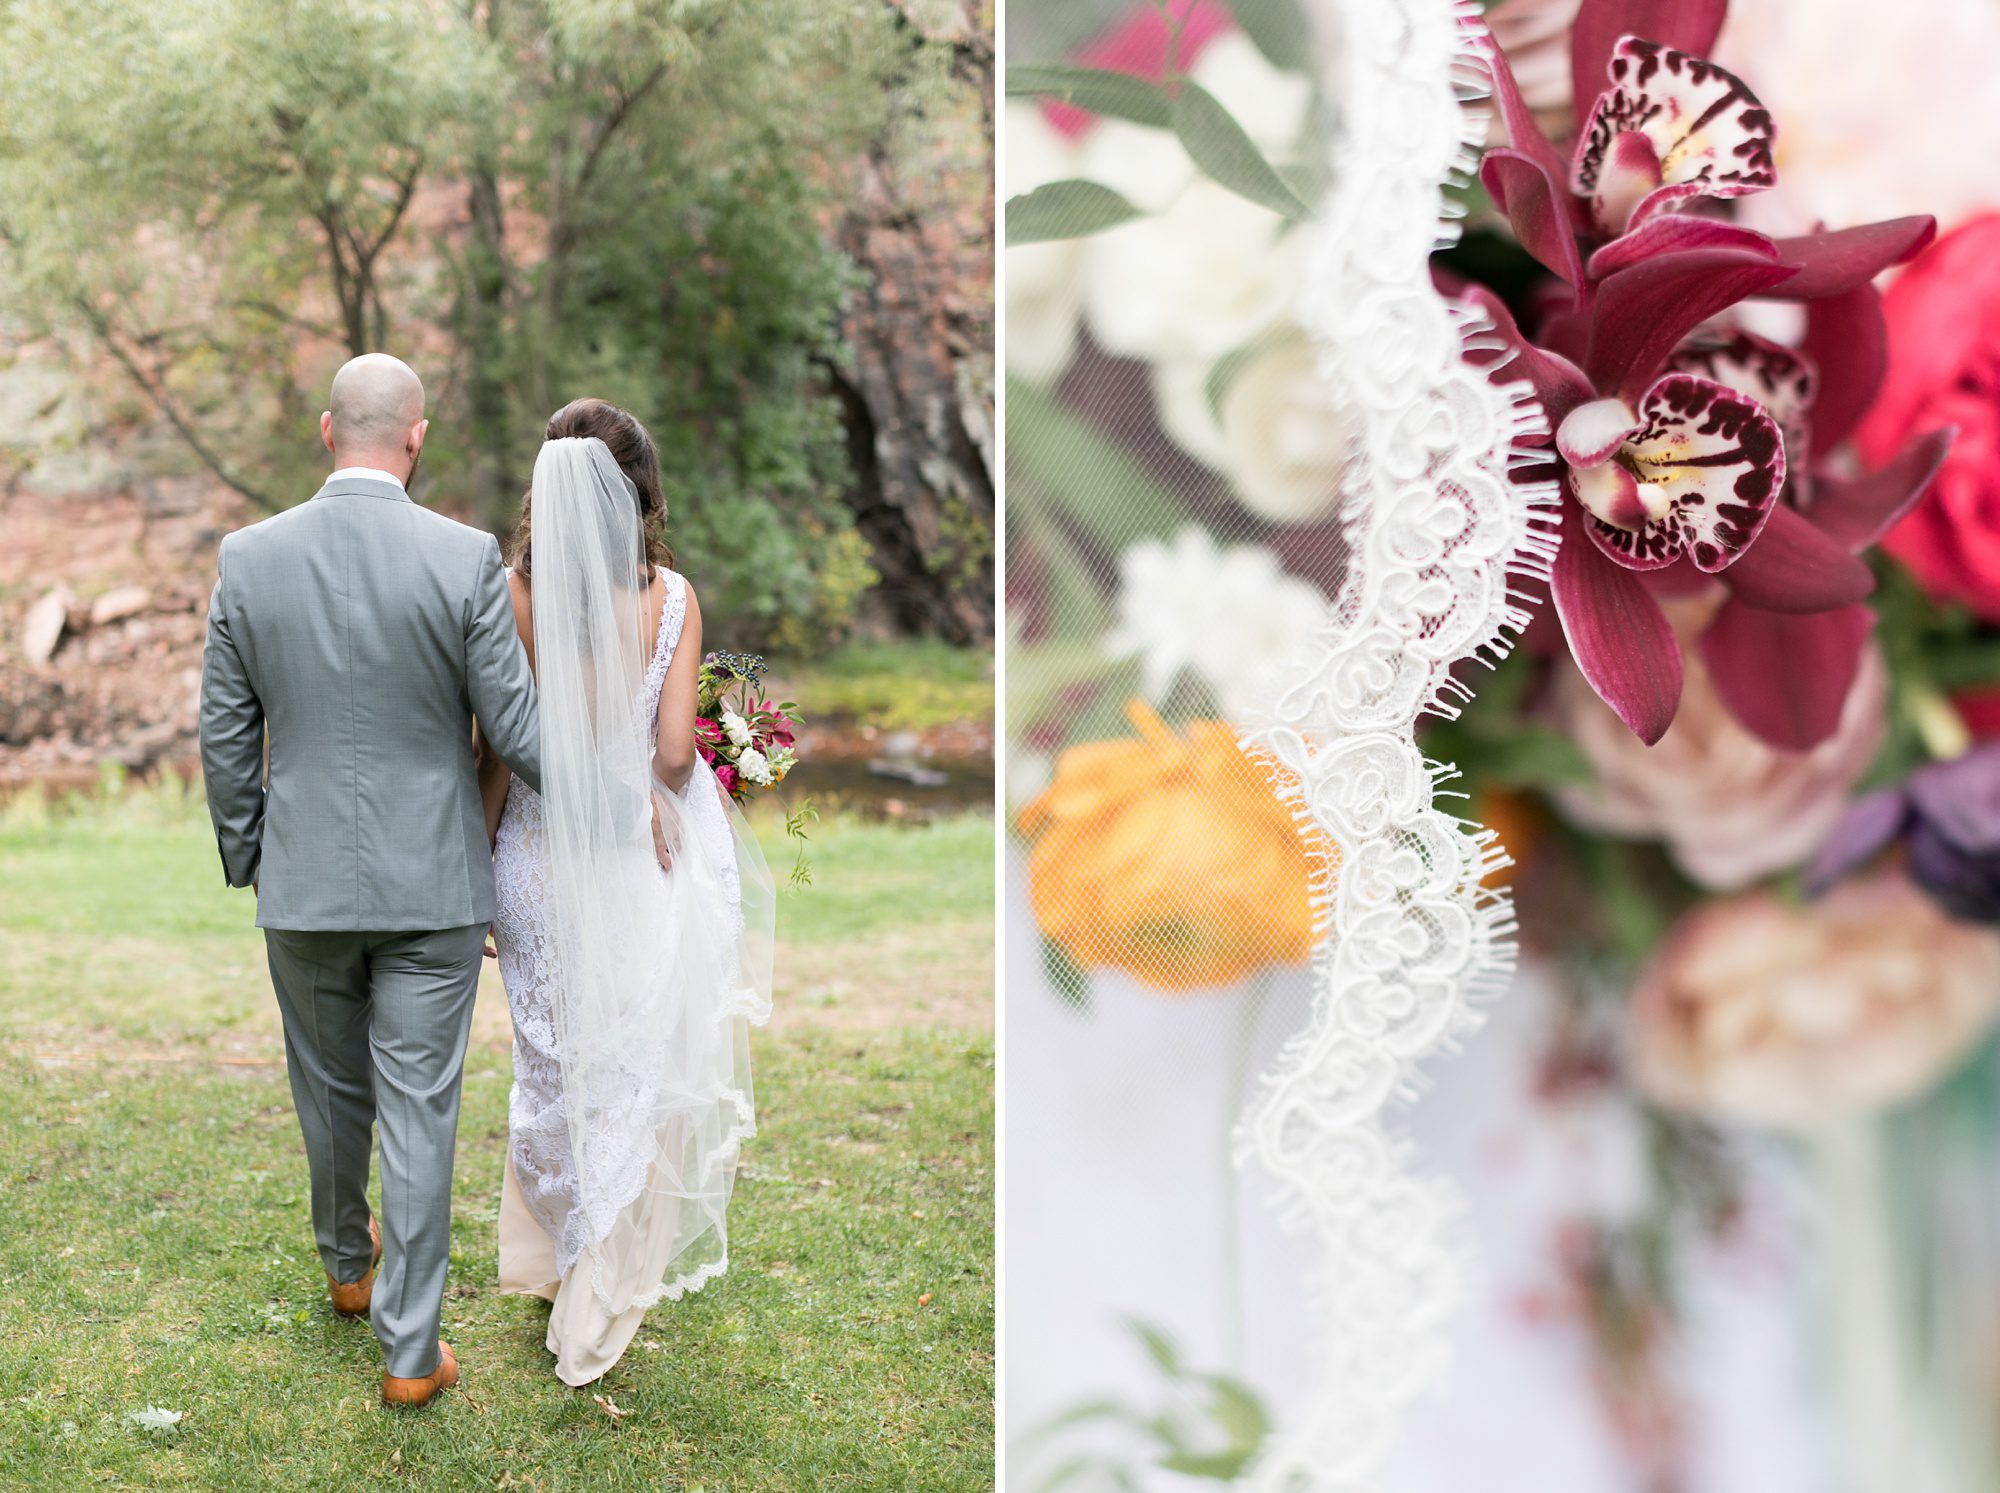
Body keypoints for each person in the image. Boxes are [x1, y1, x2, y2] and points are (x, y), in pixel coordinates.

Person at [198, 353, 541, 1407]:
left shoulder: (248, 557)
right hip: (433, 884)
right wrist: (632, 798)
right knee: (421, 1110)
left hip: (302, 881)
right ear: (416, 435)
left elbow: (224, 732)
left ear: (325, 429)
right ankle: (410, 1352)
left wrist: (253, 853)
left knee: (328, 1087)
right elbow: (517, 730)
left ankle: (349, 1264)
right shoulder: (464, 557)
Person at [478, 398, 772, 1386]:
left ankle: (559, 1263)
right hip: (627, 856)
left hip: (530, 857)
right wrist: (686, 768)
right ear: (639, 492)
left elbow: (492, 752)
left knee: (551, 1065)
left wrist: (479, 869)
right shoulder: (671, 599)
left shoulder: (508, 595)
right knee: (627, 1070)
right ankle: (597, 1289)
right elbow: (675, 756)